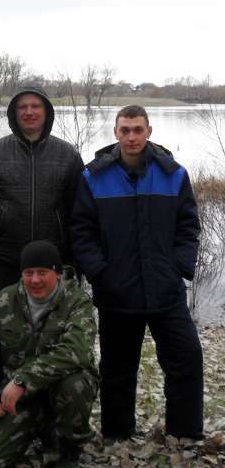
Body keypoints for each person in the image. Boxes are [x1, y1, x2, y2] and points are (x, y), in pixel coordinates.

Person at [72, 105, 204, 441]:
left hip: (166, 289)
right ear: (116, 132)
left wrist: (179, 267)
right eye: (125, 130)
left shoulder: (174, 174)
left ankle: (184, 433)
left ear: (149, 131)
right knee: (117, 369)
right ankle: (117, 434)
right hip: (117, 291)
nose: (131, 136)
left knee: (186, 359)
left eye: (138, 130)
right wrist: (100, 273)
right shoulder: (94, 176)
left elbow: (188, 226)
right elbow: (82, 232)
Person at [0, 240, 99, 468]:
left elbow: (77, 351)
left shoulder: (76, 301)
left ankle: (69, 450)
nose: (35, 280)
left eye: (42, 273)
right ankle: (44, 429)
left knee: (75, 383)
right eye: (28, 273)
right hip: (21, 400)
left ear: (57, 274)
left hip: (60, 391)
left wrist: (23, 380)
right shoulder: (5, 300)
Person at [0, 88, 83, 313]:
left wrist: (74, 265)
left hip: (54, 269)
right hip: (2, 268)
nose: (29, 112)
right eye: (22, 107)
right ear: (14, 113)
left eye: (35, 106)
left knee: (52, 342)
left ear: (46, 112)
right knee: (1, 343)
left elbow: (80, 216)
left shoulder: (67, 155)